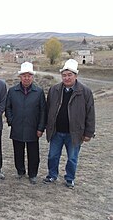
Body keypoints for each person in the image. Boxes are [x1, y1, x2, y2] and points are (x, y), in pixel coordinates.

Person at [43, 59, 95, 189]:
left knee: (72, 158)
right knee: (53, 155)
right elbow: (48, 109)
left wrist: (88, 133)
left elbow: (90, 113)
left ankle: (70, 178)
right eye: (64, 75)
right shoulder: (54, 90)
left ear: (76, 76)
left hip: (75, 132)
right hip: (56, 131)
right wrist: (46, 126)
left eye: (69, 75)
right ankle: (52, 175)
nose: (66, 78)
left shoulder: (85, 92)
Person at [5, 62, 46, 184]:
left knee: (33, 153)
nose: (26, 78)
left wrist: (40, 128)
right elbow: (8, 108)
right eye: (24, 75)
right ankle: (20, 171)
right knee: (18, 151)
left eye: (29, 75)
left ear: (32, 77)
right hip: (17, 127)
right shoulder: (12, 91)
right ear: (20, 77)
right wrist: (11, 121)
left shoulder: (38, 92)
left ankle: (32, 174)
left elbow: (43, 111)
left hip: (33, 128)